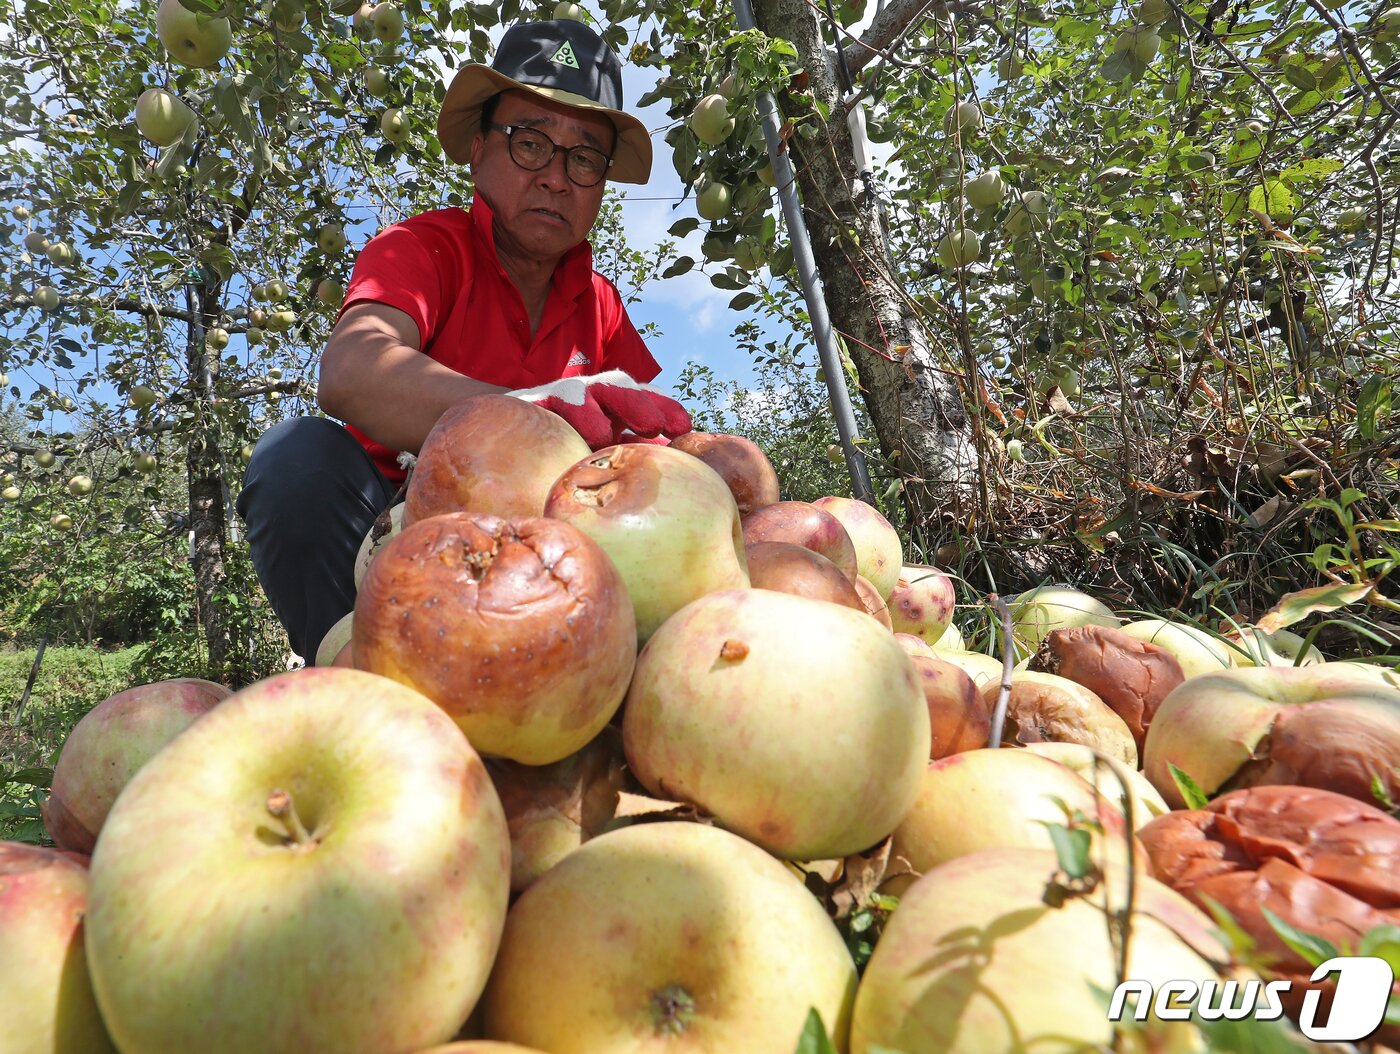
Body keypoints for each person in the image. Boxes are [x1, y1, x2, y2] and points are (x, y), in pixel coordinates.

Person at [236, 19, 692, 665]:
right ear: (478, 149)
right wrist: (529, 412)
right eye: (530, 143)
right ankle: (349, 670)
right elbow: (353, 369)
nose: (557, 178)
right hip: (394, 537)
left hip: (547, 563)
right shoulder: (423, 250)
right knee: (296, 459)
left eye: (584, 157)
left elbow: (647, 439)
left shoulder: (601, 304)